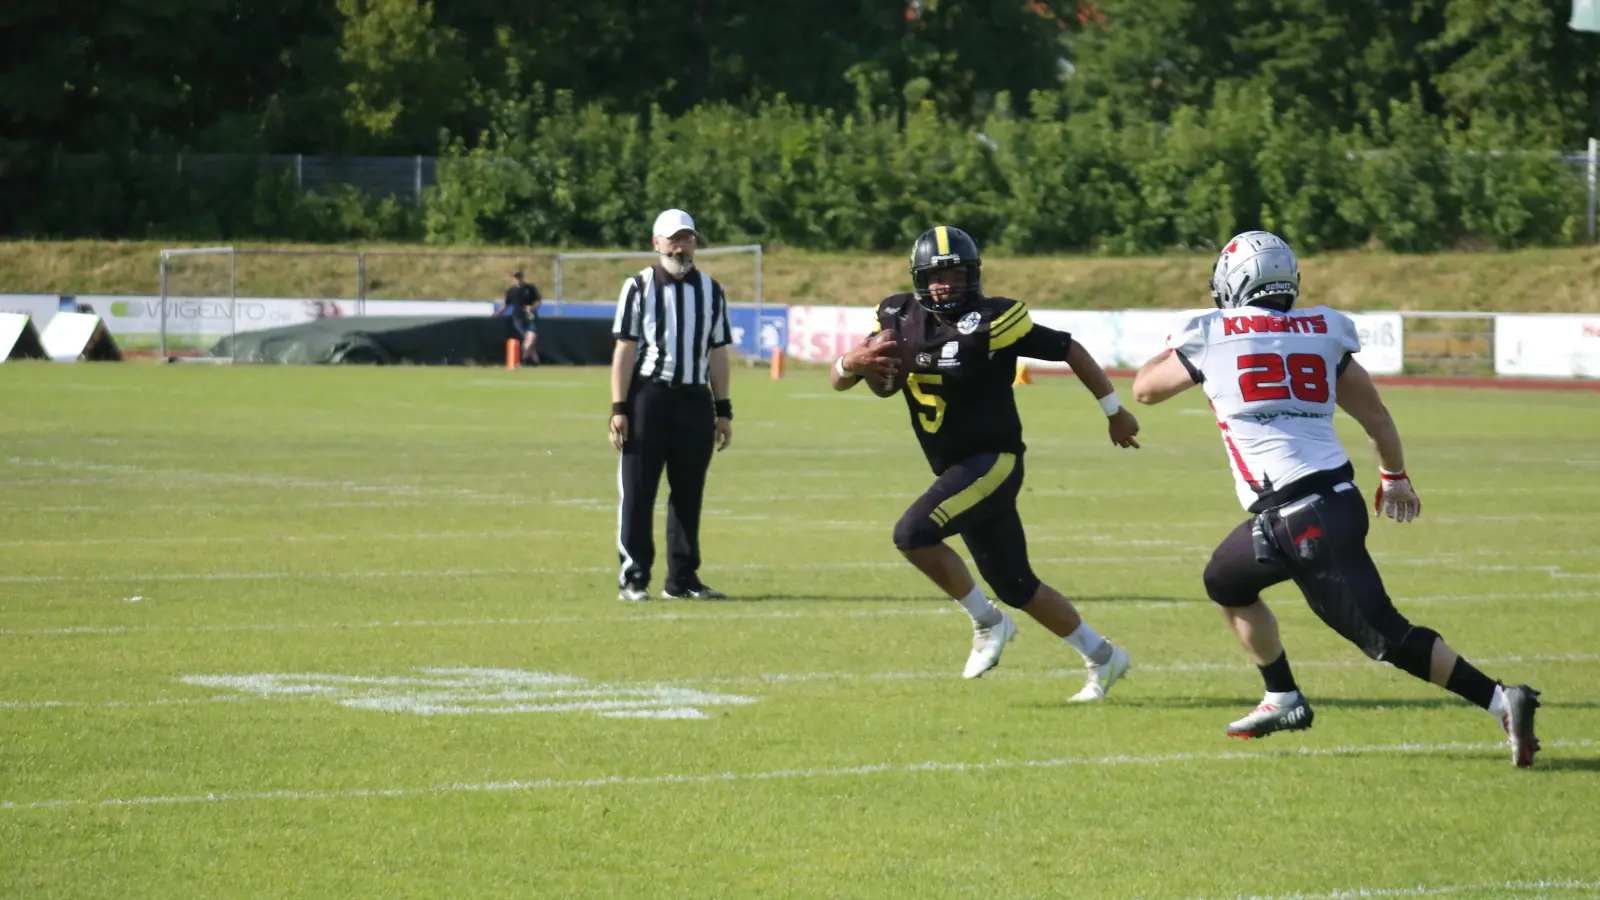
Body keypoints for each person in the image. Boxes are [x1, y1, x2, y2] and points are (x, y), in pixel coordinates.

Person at [1130, 230, 1542, 765]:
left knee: (1386, 636)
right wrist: (1394, 476)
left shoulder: (1212, 332)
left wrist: (1185, 340)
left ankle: (1499, 699)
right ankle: (1282, 696)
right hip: (1323, 501)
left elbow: (1145, 388)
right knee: (1225, 579)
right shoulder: (1323, 331)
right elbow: (1375, 416)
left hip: (1303, 517)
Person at [832, 225, 1141, 697]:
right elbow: (851, 377)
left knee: (913, 533)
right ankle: (1104, 656)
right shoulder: (898, 316)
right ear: (918, 278)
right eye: (935, 275)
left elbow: (1069, 349)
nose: (945, 283)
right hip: (955, 468)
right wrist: (846, 366)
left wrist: (1114, 412)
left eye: (955, 273)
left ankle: (987, 622)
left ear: (972, 274)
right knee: (1016, 583)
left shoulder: (993, 320)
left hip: (993, 460)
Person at [609, 209, 735, 602]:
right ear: (657, 243)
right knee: (638, 490)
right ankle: (634, 577)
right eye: (673, 239)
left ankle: (682, 579)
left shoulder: (712, 290)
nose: (681, 247)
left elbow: (718, 353)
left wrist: (724, 409)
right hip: (650, 397)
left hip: (695, 400)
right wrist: (619, 407)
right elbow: (625, 349)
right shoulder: (639, 287)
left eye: (687, 239)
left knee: (688, 492)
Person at [503, 270, 541, 365]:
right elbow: (506, 304)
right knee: (528, 339)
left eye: (519, 277)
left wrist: (532, 307)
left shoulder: (530, 288)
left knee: (531, 337)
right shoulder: (511, 291)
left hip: (530, 315)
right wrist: (498, 313)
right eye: (516, 278)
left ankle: (523, 359)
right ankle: (534, 361)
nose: (518, 279)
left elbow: (538, 300)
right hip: (518, 317)